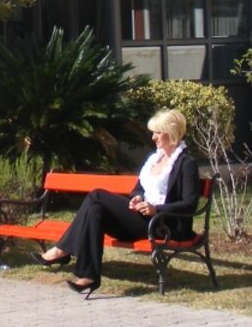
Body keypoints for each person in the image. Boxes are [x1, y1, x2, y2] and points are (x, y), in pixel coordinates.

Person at [34, 108, 199, 297]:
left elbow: (190, 203)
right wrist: (137, 197)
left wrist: (156, 209)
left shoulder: (186, 163)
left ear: (171, 133)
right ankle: (89, 276)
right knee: (95, 211)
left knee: (96, 195)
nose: (153, 137)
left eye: (157, 132)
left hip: (162, 224)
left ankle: (61, 250)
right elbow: (139, 188)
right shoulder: (155, 159)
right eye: (153, 132)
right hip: (139, 219)